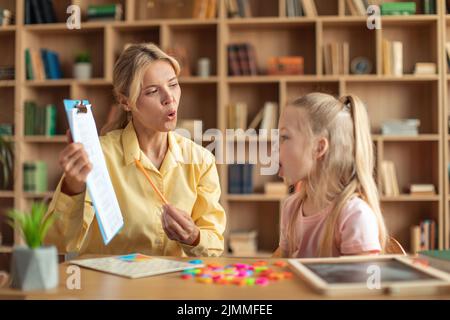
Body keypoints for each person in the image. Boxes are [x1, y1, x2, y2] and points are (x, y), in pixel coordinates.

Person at [45, 43, 226, 257]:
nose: (170, 98)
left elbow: (214, 246)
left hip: (174, 285)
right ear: (125, 102)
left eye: (173, 84)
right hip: (111, 286)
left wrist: (194, 236)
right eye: (152, 91)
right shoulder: (97, 156)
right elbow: (56, 243)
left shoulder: (201, 159)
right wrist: (73, 186)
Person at [277, 93, 387, 257]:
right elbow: (279, 266)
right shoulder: (291, 208)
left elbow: (363, 282)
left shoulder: (355, 215)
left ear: (319, 148)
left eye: (284, 137)